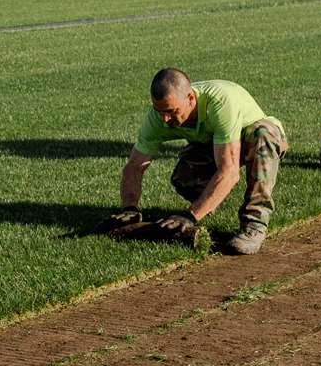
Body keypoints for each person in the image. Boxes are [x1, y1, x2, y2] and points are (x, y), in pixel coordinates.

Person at [115, 69, 287, 255]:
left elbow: (229, 171)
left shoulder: (219, 103)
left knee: (262, 135)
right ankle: (209, 202)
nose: (165, 119)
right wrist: (129, 207)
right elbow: (134, 166)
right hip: (214, 143)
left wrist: (190, 215)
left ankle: (254, 225)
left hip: (253, 138)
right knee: (184, 177)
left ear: (190, 98)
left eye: (171, 111)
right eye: (160, 111)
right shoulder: (157, 117)